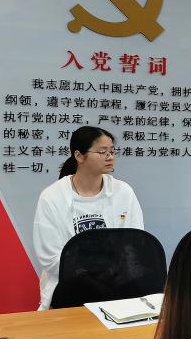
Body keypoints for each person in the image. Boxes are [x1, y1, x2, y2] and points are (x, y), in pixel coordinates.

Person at [33, 125, 143, 310]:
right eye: (102, 152)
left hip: (117, 282)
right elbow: (50, 258)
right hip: (71, 287)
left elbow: (135, 242)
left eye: (112, 151)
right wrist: (92, 274)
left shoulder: (123, 192)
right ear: (79, 156)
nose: (110, 156)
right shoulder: (52, 197)